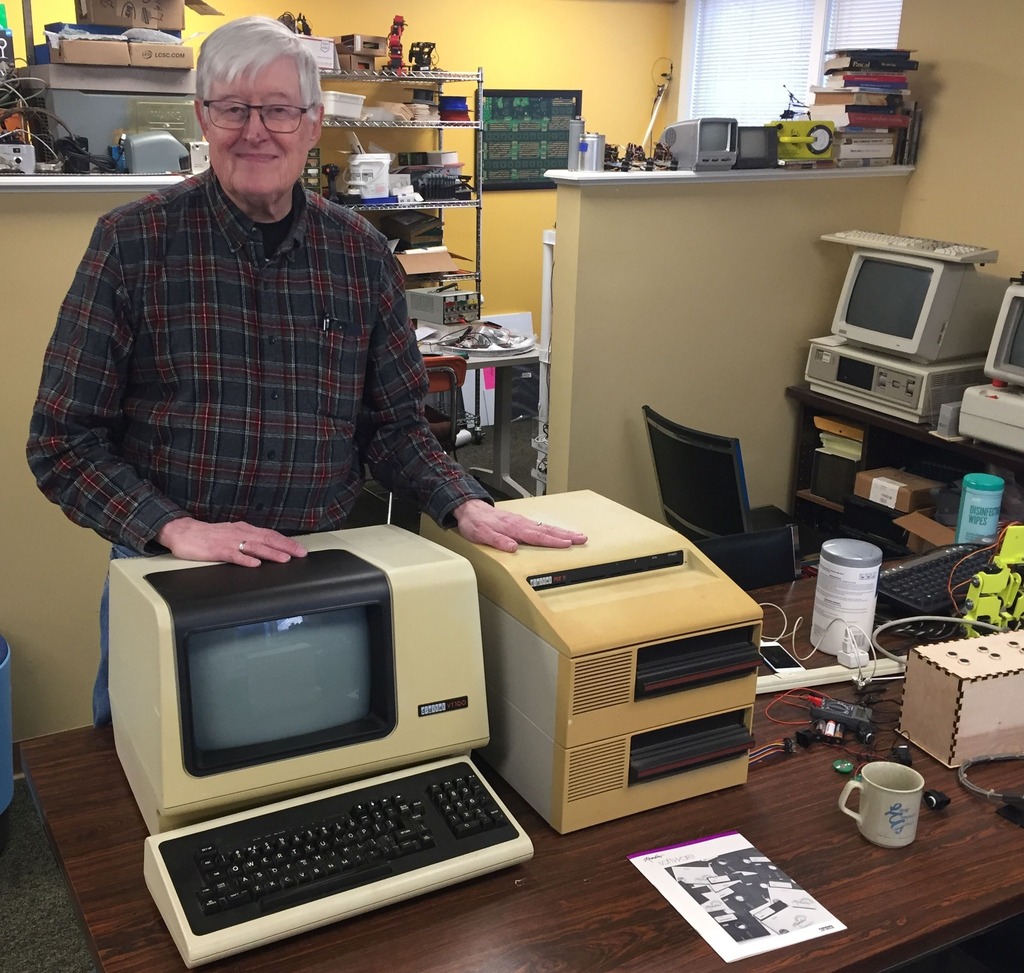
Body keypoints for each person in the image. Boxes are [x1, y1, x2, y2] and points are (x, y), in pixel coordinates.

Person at [26, 15, 586, 726]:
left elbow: (394, 425)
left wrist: (462, 499)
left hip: (317, 581)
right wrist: (172, 526)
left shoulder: (359, 255)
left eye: (280, 109)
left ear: (314, 123)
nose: (255, 129)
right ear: (203, 116)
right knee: (144, 784)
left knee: (315, 784)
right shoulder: (131, 245)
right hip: (172, 579)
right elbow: (61, 441)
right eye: (233, 107)